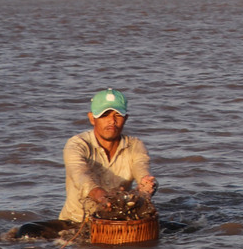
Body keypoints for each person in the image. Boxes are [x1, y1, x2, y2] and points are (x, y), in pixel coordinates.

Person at [17, 88, 158, 239]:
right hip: (76, 222)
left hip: (119, 222)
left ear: (126, 118)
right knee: (26, 231)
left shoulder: (135, 145)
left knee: (184, 230)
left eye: (118, 115)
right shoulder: (76, 144)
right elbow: (80, 174)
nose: (112, 121)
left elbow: (141, 168)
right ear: (92, 118)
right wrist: (100, 196)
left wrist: (145, 186)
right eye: (104, 115)